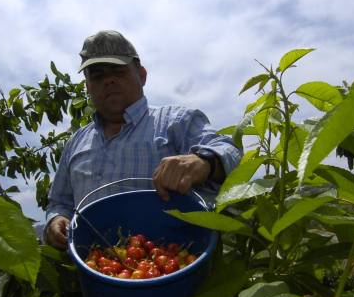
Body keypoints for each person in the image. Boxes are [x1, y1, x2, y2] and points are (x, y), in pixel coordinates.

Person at [43, 30, 242, 249]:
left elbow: (227, 149)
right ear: (88, 87)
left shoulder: (176, 121)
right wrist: (55, 220)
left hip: (169, 264)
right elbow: (60, 202)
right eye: (97, 75)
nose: (108, 80)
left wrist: (203, 161)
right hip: (92, 269)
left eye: (118, 71)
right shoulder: (76, 142)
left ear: (142, 75)